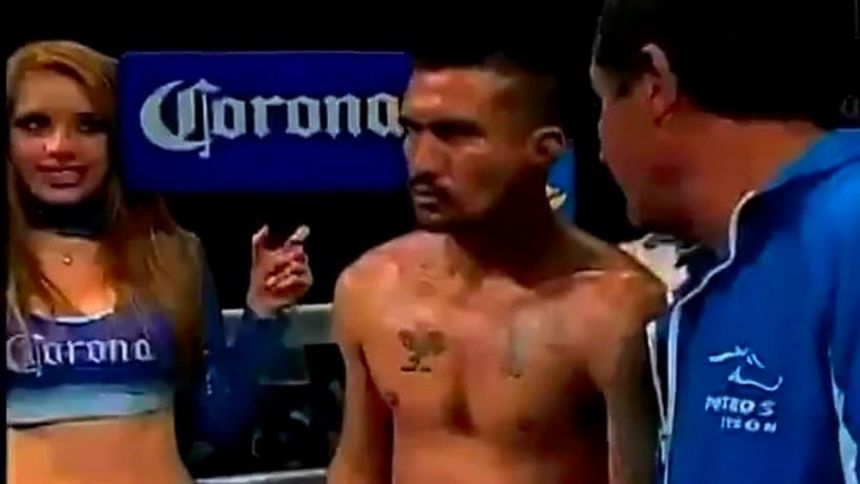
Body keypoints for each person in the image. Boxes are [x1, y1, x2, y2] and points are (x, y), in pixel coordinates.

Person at [328, 46, 666, 484]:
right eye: (413, 131)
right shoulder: (372, 289)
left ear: (544, 149)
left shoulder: (615, 313)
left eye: (456, 135)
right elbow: (357, 468)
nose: (423, 162)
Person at [6, 40, 313, 484]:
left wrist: (262, 314)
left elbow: (218, 422)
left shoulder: (172, 255)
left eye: (89, 126)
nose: (60, 146)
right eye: (35, 124)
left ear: (124, 136)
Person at [590, 1, 859, 483]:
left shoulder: (849, 228)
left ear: (654, 85)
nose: (601, 150)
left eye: (604, 99)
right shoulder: (719, 272)